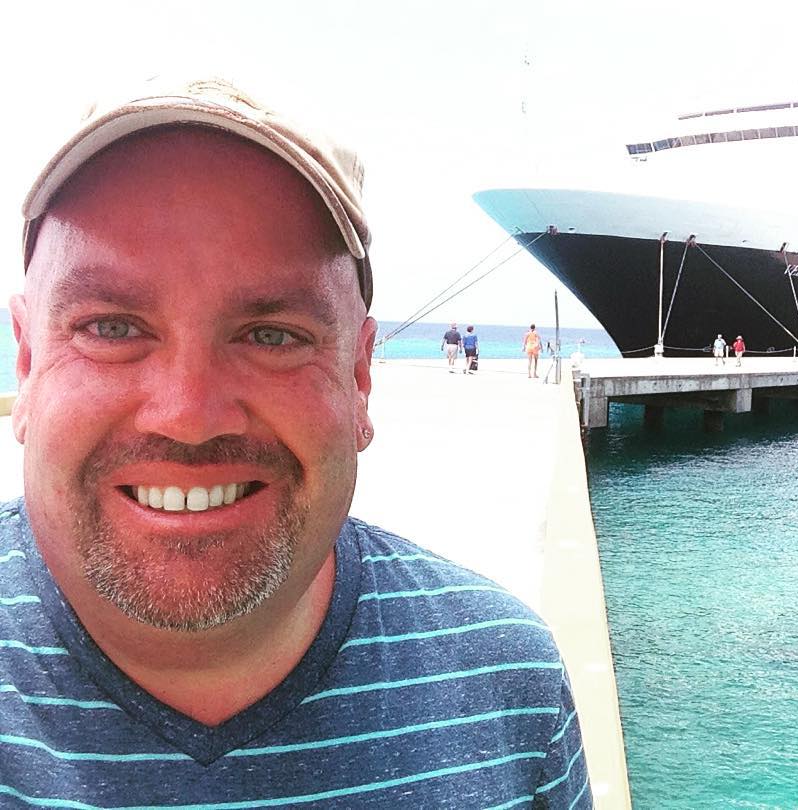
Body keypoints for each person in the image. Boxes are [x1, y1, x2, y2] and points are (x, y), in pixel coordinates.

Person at [1, 77, 589, 807]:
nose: (188, 414)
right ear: (27, 362)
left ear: (360, 378)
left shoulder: (508, 688)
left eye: (272, 335)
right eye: (112, 328)